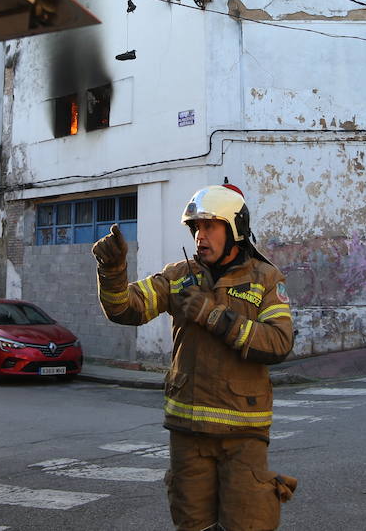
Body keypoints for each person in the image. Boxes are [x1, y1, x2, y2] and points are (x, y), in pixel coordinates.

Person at [93, 183, 297, 531]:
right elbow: (126, 309)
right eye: (196, 227)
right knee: (193, 525)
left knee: (248, 523)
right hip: (188, 434)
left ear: (235, 229)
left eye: (210, 226)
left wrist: (215, 316)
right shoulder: (178, 276)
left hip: (242, 433)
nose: (200, 236)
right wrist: (113, 272)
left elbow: (279, 342)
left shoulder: (265, 279)